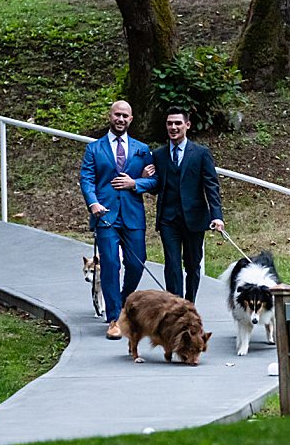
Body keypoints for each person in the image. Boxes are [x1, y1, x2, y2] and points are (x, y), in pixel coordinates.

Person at [79, 100, 157, 340]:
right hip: (106, 215)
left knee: (137, 262)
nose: (121, 119)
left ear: (131, 119)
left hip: (133, 215)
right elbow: (87, 179)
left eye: (125, 116)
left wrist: (137, 183)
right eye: (117, 115)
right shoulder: (94, 148)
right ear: (109, 116)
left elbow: (155, 183)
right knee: (110, 264)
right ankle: (113, 319)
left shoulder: (142, 149)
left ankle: (122, 302)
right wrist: (93, 204)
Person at [144, 107, 224, 304]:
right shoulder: (159, 155)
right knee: (171, 264)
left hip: (194, 218)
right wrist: (145, 179)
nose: (173, 127)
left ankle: (190, 303)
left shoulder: (201, 153)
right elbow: (156, 188)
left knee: (193, 265)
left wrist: (217, 215)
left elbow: (211, 186)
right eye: (170, 123)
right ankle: (176, 306)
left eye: (178, 123)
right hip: (168, 219)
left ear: (187, 125)